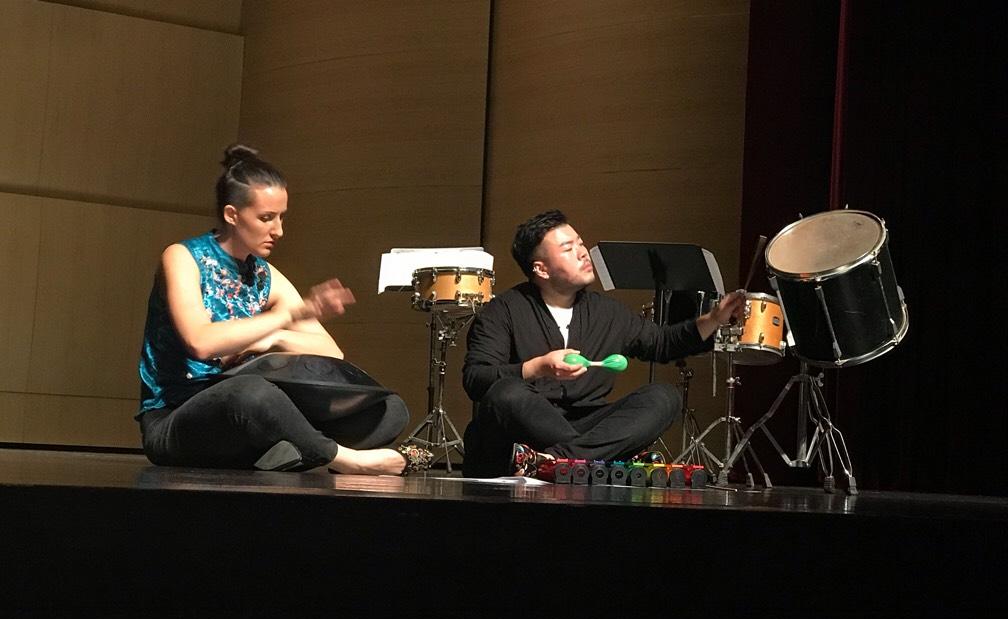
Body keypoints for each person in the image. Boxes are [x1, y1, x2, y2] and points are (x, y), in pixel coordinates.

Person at [137, 144, 431, 475]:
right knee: (251, 393)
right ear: (232, 215)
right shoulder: (183, 257)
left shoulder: (265, 275)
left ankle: (291, 449)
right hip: (177, 418)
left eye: (281, 217)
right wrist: (285, 316)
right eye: (266, 218)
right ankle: (343, 459)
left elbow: (331, 354)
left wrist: (274, 337)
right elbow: (201, 342)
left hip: (247, 424)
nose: (278, 230)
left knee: (388, 409)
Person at [461, 209, 745, 478]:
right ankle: (592, 462)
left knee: (664, 397)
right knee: (507, 393)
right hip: (524, 430)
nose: (583, 253)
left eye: (580, 243)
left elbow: (662, 343)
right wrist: (538, 367)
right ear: (541, 269)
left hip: (586, 427)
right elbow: (476, 378)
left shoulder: (606, 312)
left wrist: (714, 319)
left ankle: (557, 463)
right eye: (568, 249)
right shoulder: (503, 311)